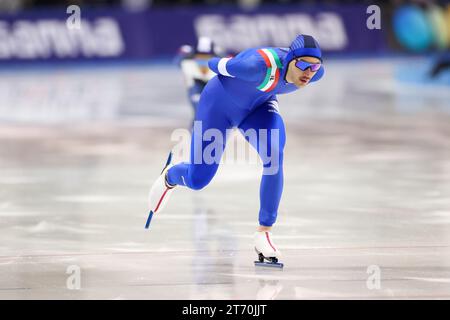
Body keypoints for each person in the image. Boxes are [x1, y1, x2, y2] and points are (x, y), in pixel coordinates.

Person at [147, 34, 325, 267]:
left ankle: (264, 233)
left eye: (314, 66)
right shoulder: (255, 66)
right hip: (217, 107)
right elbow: (214, 64)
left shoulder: (314, 74)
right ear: (290, 59)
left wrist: (308, 67)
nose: (308, 72)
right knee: (199, 179)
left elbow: (307, 68)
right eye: (302, 64)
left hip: (258, 107)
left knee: (274, 156)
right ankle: (171, 175)